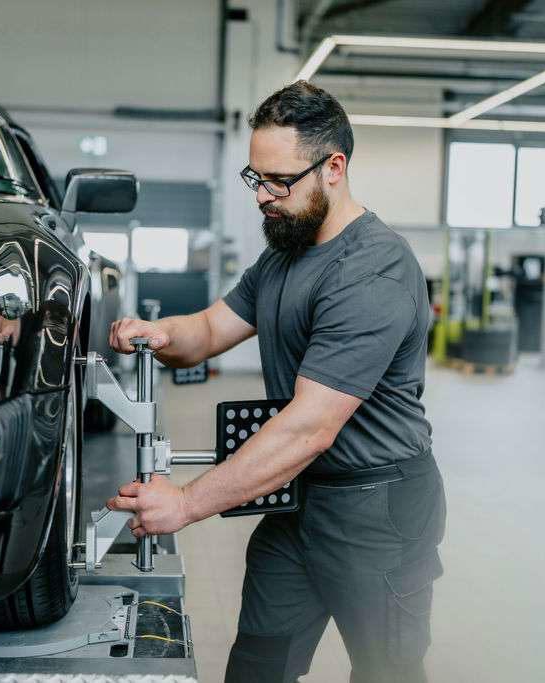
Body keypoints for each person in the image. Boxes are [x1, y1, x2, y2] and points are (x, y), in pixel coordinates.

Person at [106, 81, 445, 682]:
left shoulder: (374, 268)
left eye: (278, 181)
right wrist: (159, 333)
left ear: (333, 167)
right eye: (253, 177)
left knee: (385, 671)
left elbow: (309, 427)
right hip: (297, 503)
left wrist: (185, 503)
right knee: (258, 668)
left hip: (376, 511)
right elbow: (210, 329)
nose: (262, 196)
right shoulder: (284, 253)